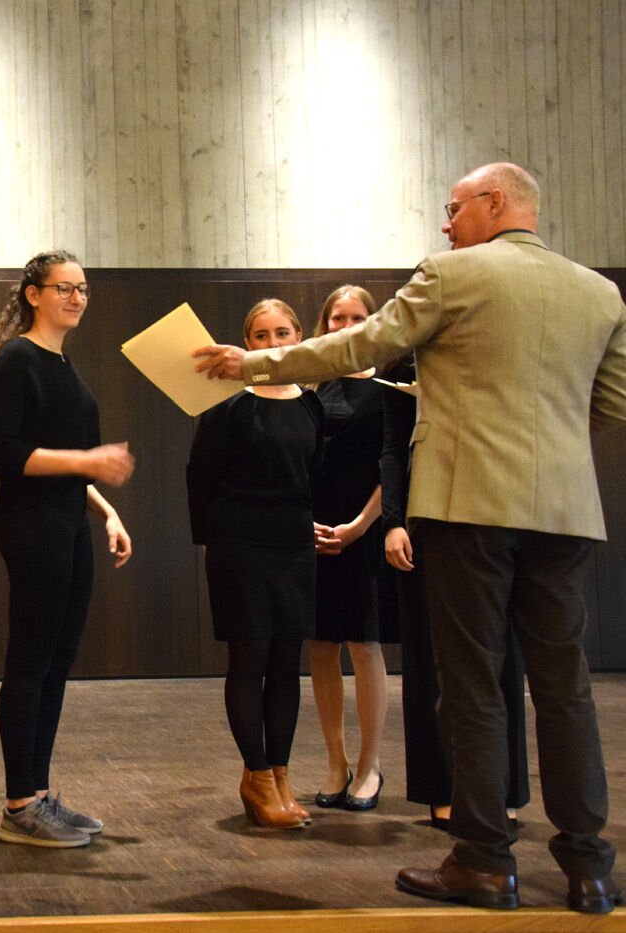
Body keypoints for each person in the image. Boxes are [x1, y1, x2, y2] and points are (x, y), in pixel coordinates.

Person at [196, 162, 626, 914]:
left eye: (455, 208)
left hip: (469, 509)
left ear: (496, 203)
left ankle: (484, 860)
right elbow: (614, 402)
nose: (446, 223)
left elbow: (359, 345)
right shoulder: (599, 292)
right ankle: (588, 868)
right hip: (563, 513)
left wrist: (254, 362)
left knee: (473, 687)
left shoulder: (452, 275)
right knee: (566, 689)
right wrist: (545, 443)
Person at [0, 250, 133, 848]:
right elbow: (7, 455)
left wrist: (107, 511)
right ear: (33, 294)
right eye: (64, 288)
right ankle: (19, 805)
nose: (77, 297)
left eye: (83, 288)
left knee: (57, 662)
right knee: (31, 661)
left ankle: (37, 795)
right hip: (31, 523)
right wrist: (88, 461)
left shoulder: (63, 364)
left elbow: (72, 467)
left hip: (67, 522)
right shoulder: (17, 359)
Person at [379, 355, 531, 831]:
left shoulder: (494, 353)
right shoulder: (402, 366)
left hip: (494, 515)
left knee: (502, 659)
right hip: (425, 520)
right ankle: (442, 789)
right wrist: (393, 522)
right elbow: (392, 451)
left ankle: (504, 791)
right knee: (428, 663)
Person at [187, 299, 320, 831]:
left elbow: (314, 474)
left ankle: (281, 777)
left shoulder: (311, 405)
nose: (271, 343)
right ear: (245, 344)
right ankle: (257, 777)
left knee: (287, 661)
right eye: (260, 336)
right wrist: (208, 541)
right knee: (251, 657)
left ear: (299, 336)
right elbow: (199, 474)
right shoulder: (228, 404)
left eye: (281, 333)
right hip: (239, 543)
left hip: (294, 544)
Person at [305, 285, 389, 812]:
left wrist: (359, 525)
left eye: (357, 317)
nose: (345, 325)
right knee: (320, 645)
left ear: (373, 322)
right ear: (325, 323)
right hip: (315, 530)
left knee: (364, 644)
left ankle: (371, 765)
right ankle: (336, 763)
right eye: (337, 317)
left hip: (365, 529)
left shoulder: (387, 387)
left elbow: (393, 464)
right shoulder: (313, 385)